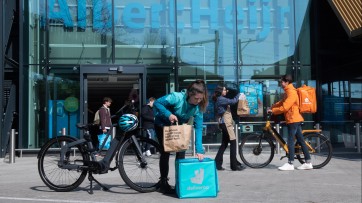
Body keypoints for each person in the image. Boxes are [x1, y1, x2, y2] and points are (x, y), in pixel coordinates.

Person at [153, 79, 208, 194]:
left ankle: (180, 182)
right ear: (189, 94)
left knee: (181, 152)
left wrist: (199, 150)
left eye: (200, 99)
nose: (198, 101)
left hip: (180, 128)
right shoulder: (176, 97)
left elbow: (198, 128)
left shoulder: (198, 108)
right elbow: (157, 103)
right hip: (163, 124)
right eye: (196, 98)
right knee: (165, 151)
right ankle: (163, 181)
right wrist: (169, 114)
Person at [267, 74, 313, 171]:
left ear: (287, 82)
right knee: (300, 141)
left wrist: (273, 111)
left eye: (282, 82)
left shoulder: (291, 92)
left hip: (293, 119)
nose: (281, 84)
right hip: (293, 119)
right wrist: (272, 107)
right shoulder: (287, 91)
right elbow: (281, 102)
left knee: (290, 141)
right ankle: (308, 162)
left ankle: (290, 163)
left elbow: (285, 107)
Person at [213, 84, 245, 171]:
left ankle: (217, 163)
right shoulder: (221, 99)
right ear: (220, 92)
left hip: (225, 124)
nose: (226, 91)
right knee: (233, 142)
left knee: (224, 144)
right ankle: (234, 166)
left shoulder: (220, 99)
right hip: (226, 124)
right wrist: (239, 94)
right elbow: (233, 101)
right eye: (224, 90)